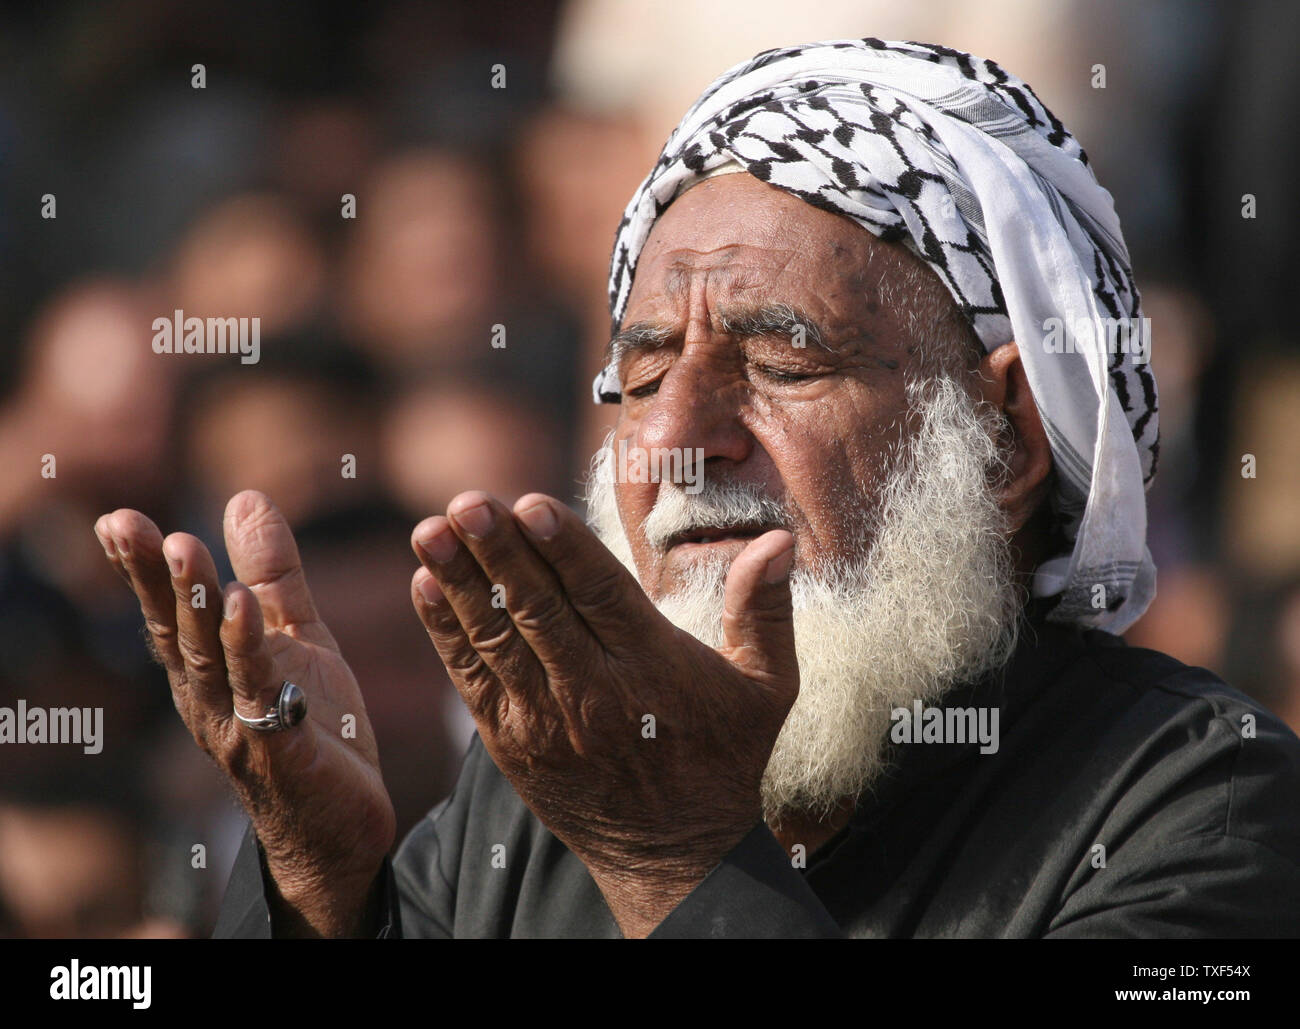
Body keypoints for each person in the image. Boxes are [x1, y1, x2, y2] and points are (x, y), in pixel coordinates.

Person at [97, 39, 1300, 938]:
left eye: (781, 363)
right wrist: (320, 887)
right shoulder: (544, 784)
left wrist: (679, 858)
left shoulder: (1206, 802)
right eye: (641, 369)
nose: (675, 436)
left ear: (1004, 442)